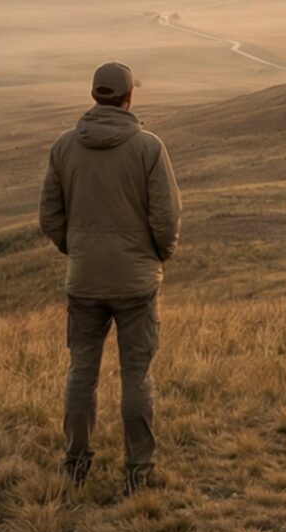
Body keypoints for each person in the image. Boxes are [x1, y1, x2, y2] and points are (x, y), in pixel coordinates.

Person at [38, 60, 181, 493]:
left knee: (82, 371)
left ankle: (76, 463)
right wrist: (157, 255)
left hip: (83, 280)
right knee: (136, 374)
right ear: (127, 96)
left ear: (94, 95)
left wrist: (78, 250)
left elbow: (49, 216)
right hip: (136, 281)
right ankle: (139, 470)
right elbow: (166, 217)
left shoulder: (64, 147)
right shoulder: (149, 148)